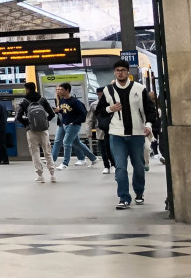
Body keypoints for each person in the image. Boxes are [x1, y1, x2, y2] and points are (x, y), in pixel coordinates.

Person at [94, 60, 158, 209]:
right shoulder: (108, 90)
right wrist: (111, 109)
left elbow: (150, 110)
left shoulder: (139, 88)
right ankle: (124, 197)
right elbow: (99, 111)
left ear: (128, 72)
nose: (120, 73)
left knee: (139, 166)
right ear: (114, 72)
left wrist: (148, 125)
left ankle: (139, 192)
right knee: (120, 167)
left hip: (137, 133)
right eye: (117, 70)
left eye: (122, 70)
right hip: (116, 135)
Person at [14, 83, 56, 183]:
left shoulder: (24, 101)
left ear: (27, 89)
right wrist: (45, 122)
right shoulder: (42, 99)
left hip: (31, 130)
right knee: (47, 152)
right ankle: (52, 174)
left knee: (35, 153)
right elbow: (52, 114)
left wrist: (27, 124)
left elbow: (18, 117)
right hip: (44, 130)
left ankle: (40, 176)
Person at [55, 83, 97, 169]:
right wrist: (59, 111)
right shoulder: (62, 101)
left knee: (66, 142)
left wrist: (74, 122)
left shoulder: (75, 101)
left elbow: (83, 113)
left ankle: (65, 163)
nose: (60, 91)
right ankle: (93, 158)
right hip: (66, 124)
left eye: (62, 90)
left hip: (74, 125)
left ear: (67, 90)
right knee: (77, 143)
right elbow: (66, 112)